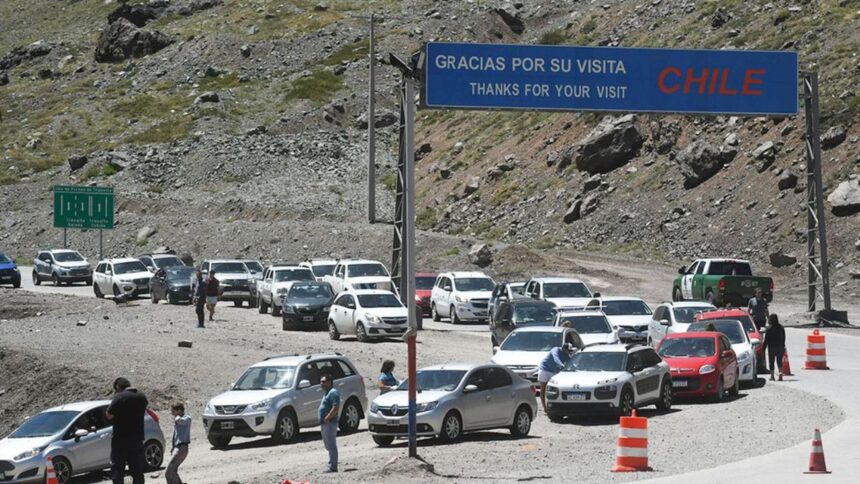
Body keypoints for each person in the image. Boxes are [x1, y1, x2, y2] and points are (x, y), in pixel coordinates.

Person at [105, 377, 148, 484]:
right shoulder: (141, 396)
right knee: (137, 470)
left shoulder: (119, 397)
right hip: (137, 438)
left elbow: (109, 415)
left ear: (118, 387)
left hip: (121, 439)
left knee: (118, 470)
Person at [537, 343, 575, 411]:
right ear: (563, 349)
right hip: (544, 370)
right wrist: (563, 366)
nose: (569, 352)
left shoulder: (566, 355)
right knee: (543, 389)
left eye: (570, 351)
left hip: (554, 372)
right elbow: (556, 359)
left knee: (554, 390)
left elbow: (571, 363)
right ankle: (544, 408)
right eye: (568, 350)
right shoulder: (555, 350)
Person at [318, 373, 340, 473]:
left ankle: (333, 467)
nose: (321, 384)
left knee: (331, 445)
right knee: (328, 445)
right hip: (325, 423)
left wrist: (327, 417)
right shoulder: (327, 393)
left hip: (330, 423)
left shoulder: (333, 392)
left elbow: (335, 407)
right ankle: (331, 464)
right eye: (321, 382)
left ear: (329, 382)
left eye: (323, 381)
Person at [165, 403, 190, 484]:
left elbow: (180, 421)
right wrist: (173, 447)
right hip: (177, 448)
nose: (172, 413)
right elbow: (176, 435)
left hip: (182, 448)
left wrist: (177, 416)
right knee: (172, 472)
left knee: (169, 471)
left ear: (179, 410)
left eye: (173, 411)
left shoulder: (187, 418)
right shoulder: (177, 420)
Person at [765, 314, 786, 381]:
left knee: (771, 362)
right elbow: (784, 338)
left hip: (772, 347)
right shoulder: (781, 327)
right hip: (780, 347)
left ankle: (772, 376)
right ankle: (780, 374)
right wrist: (783, 346)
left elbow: (766, 340)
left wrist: (763, 349)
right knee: (779, 361)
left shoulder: (769, 329)